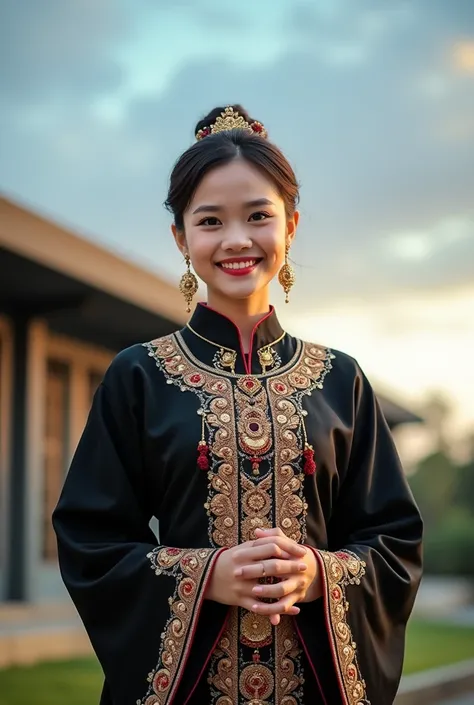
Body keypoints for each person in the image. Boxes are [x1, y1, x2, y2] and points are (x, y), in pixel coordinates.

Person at [53, 105, 423, 705]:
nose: (236, 240)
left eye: (258, 216)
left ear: (292, 226)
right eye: (209, 221)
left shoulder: (341, 380)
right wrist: (205, 578)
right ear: (180, 237)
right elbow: (90, 541)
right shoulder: (138, 376)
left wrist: (318, 574)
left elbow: (394, 542)